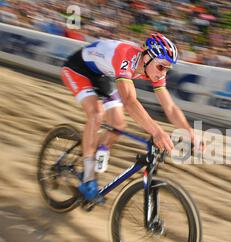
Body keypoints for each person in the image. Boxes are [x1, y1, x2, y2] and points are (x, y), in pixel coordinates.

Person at [61, 33, 201, 201]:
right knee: (96, 114)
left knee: (119, 125)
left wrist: (189, 131)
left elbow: (170, 107)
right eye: (161, 67)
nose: (163, 74)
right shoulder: (126, 57)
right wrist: (157, 132)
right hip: (78, 69)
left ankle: (97, 150)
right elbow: (129, 101)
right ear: (148, 57)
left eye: (167, 69)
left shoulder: (154, 69)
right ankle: (88, 176)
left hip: (103, 74)